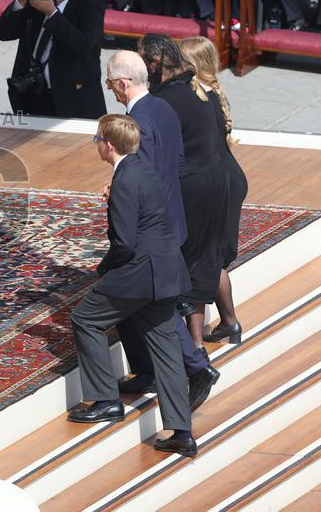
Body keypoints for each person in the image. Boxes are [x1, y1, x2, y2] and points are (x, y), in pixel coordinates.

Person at [68, 114, 196, 457]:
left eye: (97, 140)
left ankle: (105, 399)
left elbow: (124, 244)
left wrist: (103, 269)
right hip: (166, 272)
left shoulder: (125, 179)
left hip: (140, 274)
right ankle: (181, 432)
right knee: (167, 351)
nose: (96, 144)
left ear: (109, 145)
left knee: (85, 319)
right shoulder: (142, 168)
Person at [103, 52, 218, 410]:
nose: (111, 91)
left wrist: (121, 192)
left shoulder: (139, 121)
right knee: (144, 300)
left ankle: (197, 367)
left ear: (123, 83)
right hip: (171, 218)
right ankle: (149, 368)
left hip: (151, 227)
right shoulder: (163, 108)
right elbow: (177, 162)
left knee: (154, 302)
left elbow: (142, 173)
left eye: (110, 84)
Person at [138, 35, 228, 381]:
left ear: (155, 64)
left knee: (181, 262)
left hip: (191, 185)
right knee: (203, 258)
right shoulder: (197, 88)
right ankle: (195, 344)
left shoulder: (163, 101)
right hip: (215, 179)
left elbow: (162, 153)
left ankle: (190, 353)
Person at [180, 36, 248, 345]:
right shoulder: (212, 92)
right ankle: (230, 323)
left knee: (203, 259)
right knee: (214, 257)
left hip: (218, 181)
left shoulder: (195, 97)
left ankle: (197, 341)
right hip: (230, 177)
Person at [0, 0, 108, 119]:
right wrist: (20, 1)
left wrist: (53, 14)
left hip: (73, 101)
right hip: (34, 95)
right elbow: (2, 33)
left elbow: (83, 44)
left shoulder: (90, 5)